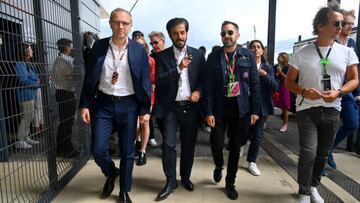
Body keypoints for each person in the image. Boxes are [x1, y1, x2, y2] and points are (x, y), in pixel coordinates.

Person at [285, 6, 358, 203]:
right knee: (308, 151)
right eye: (337, 23)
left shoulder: (347, 52)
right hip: (307, 108)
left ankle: (314, 186)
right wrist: (303, 91)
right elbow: (288, 82)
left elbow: (354, 80)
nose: (341, 27)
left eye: (343, 23)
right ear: (320, 26)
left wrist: (339, 92)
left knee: (323, 153)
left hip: (333, 109)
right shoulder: (301, 53)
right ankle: (303, 191)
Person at [79, 8, 151, 203]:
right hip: (102, 104)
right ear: (110, 23)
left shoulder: (138, 51)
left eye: (125, 23)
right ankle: (111, 173)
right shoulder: (99, 47)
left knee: (127, 151)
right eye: (117, 22)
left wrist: (145, 110)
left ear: (130, 25)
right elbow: (90, 78)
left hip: (129, 105)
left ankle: (124, 191)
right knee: (98, 149)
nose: (121, 26)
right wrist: (84, 104)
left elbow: (145, 81)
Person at [204, 21, 261, 200]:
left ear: (237, 35)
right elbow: (208, 87)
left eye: (229, 32)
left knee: (236, 147)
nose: (226, 36)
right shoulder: (213, 57)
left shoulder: (248, 55)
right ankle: (219, 165)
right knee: (216, 144)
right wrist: (208, 112)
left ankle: (230, 182)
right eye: (223, 34)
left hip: (241, 109)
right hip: (219, 109)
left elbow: (254, 84)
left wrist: (255, 110)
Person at [152, 17, 206, 201]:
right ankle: (170, 181)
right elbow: (158, 80)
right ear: (170, 35)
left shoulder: (198, 55)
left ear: (187, 33)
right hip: (169, 108)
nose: (179, 36)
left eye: (182, 32)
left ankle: (185, 177)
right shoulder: (160, 56)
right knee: (168, 145)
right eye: (175, 33)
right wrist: (178, 68)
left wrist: (198, 91)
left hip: (190, 108)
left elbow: (203, 80)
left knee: (189, 146)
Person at [326, 9, 360, 170]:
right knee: (325, 125)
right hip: (327, 90)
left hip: (345, 92)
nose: (350, 27)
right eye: (347, 23)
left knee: (353, 123)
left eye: (353, 24)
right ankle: (322, 160)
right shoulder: (330, 41)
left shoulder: (352, 44)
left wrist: (357, 93)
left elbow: (355, 73)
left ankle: (328, 150)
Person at [247, 40, 278, 176]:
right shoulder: (243, 64)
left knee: (257, 135)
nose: (255, 49)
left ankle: (252, 161)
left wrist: (264, 75)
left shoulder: (268, 68)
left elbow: (275, 86)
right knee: (243, 133)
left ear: (263, 51)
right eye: (253, 47)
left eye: (258, 47)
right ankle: (241, 144)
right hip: (245, 105)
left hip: (261, 106)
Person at [132, 31, 155, 166]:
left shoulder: (150, 60)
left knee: (144, 122)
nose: (139, 47)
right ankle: (137, 141)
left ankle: (143, 151)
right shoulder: (127, 59)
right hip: (131, 96)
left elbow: (153, 79)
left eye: (142, 45)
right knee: (134, 125)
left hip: (147, 95)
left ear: (145, 47)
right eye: (136, 45)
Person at [52, 38, 77, 157]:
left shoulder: (65, 59)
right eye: (71, 46)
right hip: (64, 93)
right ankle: (66, 148)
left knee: (67, 121)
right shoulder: (63, 60)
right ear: (66, 47)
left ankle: (63, 147)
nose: (72, 49)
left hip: (66, 92)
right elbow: (72, 75)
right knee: (66, 122)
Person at [14, 43, 41, 149]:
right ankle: (20, 140)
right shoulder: (20, 64)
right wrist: (36, 82)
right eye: (30, 49)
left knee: (29, 117)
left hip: (30, 94)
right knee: (26, 117)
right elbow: (23, 79)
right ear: (25, 51)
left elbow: (34, 77)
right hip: (25, 95)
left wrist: (35, 80)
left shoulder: (27, 63)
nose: (32, 51)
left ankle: (25, 137)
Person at [273, 52, 291, 132]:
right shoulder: (275, 67)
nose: (277, 58)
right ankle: (264, 122)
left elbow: (288, 79)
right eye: (278, 57)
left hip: (284, 88)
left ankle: (285, 124)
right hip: (276, 87)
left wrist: (280, 72)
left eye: (279, 57)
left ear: (284, 58)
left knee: (285, 107)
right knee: (270, 103)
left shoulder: (288, 67)